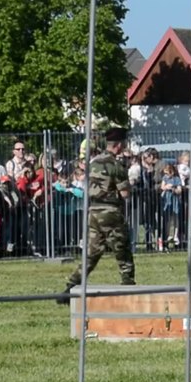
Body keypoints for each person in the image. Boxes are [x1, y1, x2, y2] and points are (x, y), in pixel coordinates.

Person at [57, 126, 135, 303]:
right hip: (110, 212)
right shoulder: (116, 165)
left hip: (92, 211)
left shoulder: (93, 163)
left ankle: (69, 288)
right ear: (119, 145)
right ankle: (128, 284)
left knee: (91, 253)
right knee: (122, 250)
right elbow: (125, 193)